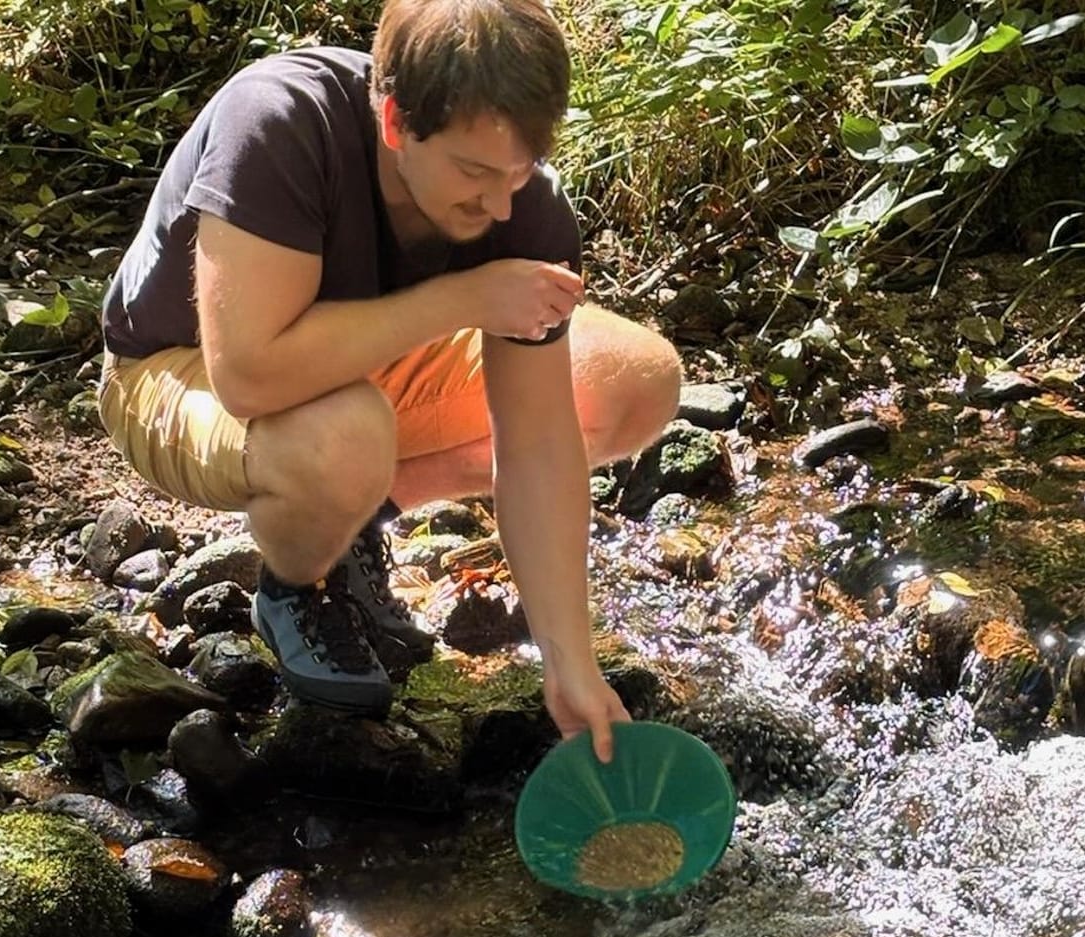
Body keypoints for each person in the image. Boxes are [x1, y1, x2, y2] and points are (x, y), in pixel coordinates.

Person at [98, 0, 682, 763]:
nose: (499, 203)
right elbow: (247, 372)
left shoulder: (518, 201)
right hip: (176, 370)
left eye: (520, 170)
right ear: (396, 118)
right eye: (474, 172)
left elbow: (536, 444)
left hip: (359, 370)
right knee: (345, 435)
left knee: (635, 380)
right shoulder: (279, 121)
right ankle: (297, 585)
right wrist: (463, 299)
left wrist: (567, 659)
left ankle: (350, 520)